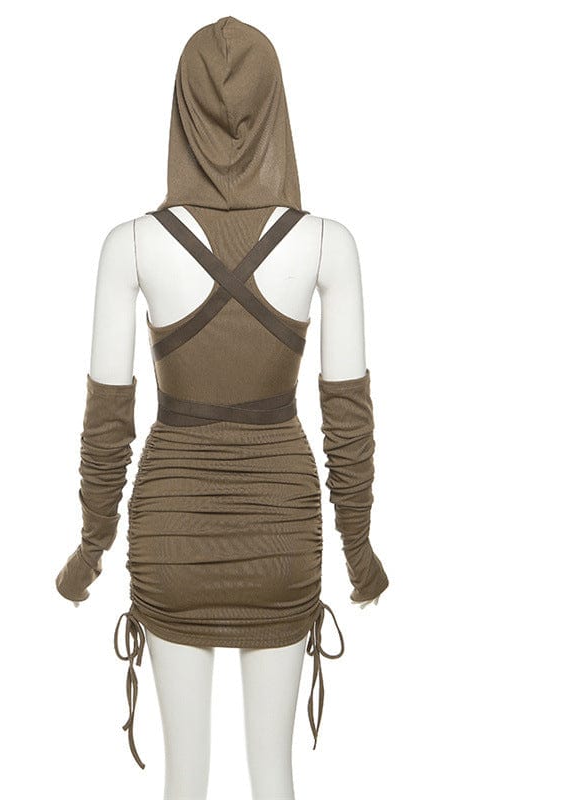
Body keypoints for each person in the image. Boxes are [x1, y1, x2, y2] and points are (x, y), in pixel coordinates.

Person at [55, 15, 389, 799]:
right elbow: (348, 423)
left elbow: (107, 425)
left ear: (183, 108)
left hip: (172, 536)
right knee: (274, 778)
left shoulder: (129, 245)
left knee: (185, 783)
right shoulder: (328, 244)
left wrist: (91, 549)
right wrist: (359, 553)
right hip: (282, 534)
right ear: (276, 105)